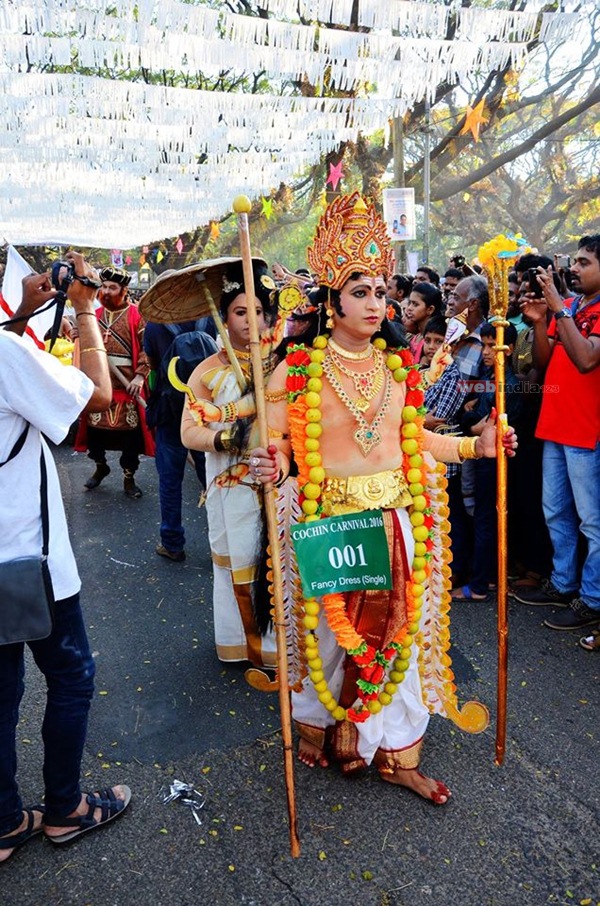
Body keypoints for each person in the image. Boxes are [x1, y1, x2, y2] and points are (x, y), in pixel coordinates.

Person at [249, 193, 517, 803]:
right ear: (330, 301)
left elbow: (417, 441)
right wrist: (277, 460)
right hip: (327, 523)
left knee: (397, 636)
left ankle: (396, 753)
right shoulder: (299, 368)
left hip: (394, 519)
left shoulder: (399, 367)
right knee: (324, 635)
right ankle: (321, 732)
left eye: (381, 292)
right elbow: (288, 445)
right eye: (361, 291)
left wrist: (477, 448)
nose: (377, 304)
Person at [0, 253, 130, 863]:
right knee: (71, 676)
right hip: (27, 555)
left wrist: (26, 313)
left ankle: (4, 820)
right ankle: (65, 810)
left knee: (0, 695)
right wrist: (81, 307)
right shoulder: (5, 354)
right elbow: (100, 398)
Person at [180, 261, 282, 670]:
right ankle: (246, 647)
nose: (251, 321)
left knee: (282, 560)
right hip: (231, 484)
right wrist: (228, 437)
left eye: (258, 312)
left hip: (280, 479)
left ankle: (284, 647)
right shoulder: (207, 372)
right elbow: (188, 432)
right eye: (241, 312)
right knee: (239, 560)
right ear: (224, 317)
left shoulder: (283, 362)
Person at [514, 235, 600, 631]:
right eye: (577, 262)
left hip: (588, 429)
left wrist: (557, 309)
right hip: (556, 423)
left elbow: (586, 360)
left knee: (592, 523)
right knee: (556, 512)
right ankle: (563, 584)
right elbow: (546, 362)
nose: (575, 269)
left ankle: (593, 599)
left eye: (584, 262)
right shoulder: (574, 306)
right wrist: (540, 322)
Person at [74, 266, 154, 498]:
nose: (106, 292)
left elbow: (147, 349)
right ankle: (101, 467)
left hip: (126, 388)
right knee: (95, 437)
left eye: (112, 288)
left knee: (130, 440)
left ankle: (129, 479)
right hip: (100, 388)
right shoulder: (94, 317)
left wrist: (140, 376)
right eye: (104, 287)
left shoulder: (137, 316)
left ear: (124, 290)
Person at [144, 318, 218, 561]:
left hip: (170, 412)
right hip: (203, 410)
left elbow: (153, 366)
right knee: (213, 478)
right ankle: (222, 542)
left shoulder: (155, 325)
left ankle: (172, 542)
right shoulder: (210, 318)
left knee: (170, 480)